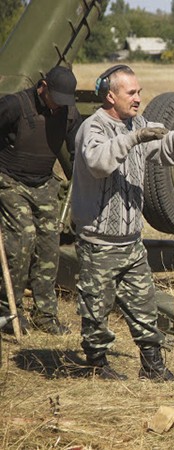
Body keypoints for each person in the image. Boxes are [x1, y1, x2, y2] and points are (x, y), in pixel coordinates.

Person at [71, 65, 174, 381]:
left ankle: (152, 367)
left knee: (144, 307)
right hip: (99, 243)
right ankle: (97, 367)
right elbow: (99, 162)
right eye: (131, 93)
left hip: (131, 243)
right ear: (111, 95)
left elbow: (165, 149)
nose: (139, 98)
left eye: (139, 92)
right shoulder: (93, 128)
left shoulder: (137, 124)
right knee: (95, 311)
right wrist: (133, 138)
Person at [0, 66, 82, 336]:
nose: (58, 105)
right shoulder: (14, 106)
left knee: (49, 242)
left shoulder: (68, 112)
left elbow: (78, 146)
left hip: (44, 182)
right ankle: (9, 312)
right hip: (10, 181)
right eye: (55, 98)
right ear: (42, 87)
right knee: (23, 239)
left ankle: (45, 315)